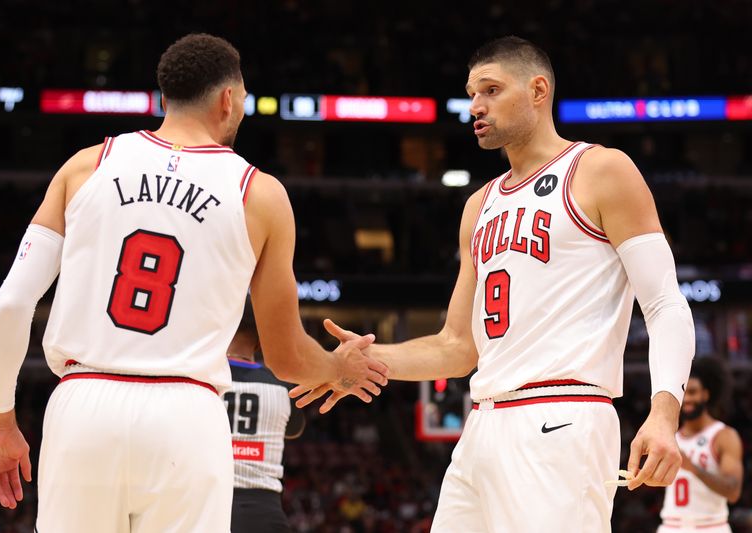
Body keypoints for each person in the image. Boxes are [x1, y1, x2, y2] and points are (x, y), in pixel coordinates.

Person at [0, 33, 387, 533]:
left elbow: (12, 303)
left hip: (83, 406)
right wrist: (336, 368)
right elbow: (283, 356)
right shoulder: (259, 194)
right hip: (186, 415)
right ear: (228, 99)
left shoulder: (87, 166)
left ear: (166, 97)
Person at [291, 36, 695, 532]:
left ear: (538, 90)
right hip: (481, 423)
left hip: (561, 416)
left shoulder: (600, 170)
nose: (475, 106)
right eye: (471, 94)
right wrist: (359, 362)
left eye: (490, 90)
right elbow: (457, 346)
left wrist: (663, 413)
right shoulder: (479, 205)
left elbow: (665, 303)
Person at [225, 309, 304, 533]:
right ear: (261, 341)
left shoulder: (201, 377)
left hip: (205, 503)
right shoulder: (282, 386)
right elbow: (294, 429)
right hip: (263, 511)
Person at [659, 357, 743, 532]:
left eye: (693, 392)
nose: (687, 399)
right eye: (684, 393)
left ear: (706, 394)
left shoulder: (723, 435)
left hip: (711, 526)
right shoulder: (670, 436)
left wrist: (693, 468)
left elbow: (733, 491)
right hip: (671, 526)